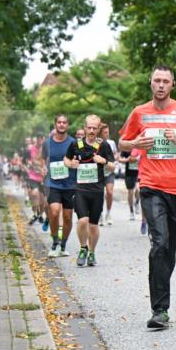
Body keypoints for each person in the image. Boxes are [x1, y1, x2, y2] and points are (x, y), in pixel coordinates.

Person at [119, 65, 176, 330]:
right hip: (151, 186)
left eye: (165, 81)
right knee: (159, 243)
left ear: (171, 85)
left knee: (168, 250)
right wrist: (135, 144)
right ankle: (160, 310)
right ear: (150, 83)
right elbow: (123, 142)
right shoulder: (139, 113)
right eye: (156, 80)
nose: (160, 85)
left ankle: (161, 295)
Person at [64, 115, 114, 267]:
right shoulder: (76, 144)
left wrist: (104, 161)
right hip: (80, 189)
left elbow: (112, 166)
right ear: (85, 128)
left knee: (93, 225)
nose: (91, 131)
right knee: (82, 220)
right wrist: (71, 163)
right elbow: (66, 160)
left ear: (99, 129)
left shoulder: (103, 145)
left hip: (97, 190)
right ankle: (83, 248)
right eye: (89, 128)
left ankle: (92, 252)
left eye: (95, 128)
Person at [42, 114, 77, 257]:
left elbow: (79, 158)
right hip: (53, 183)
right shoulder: (47, 143)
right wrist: (43, 168)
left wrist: (75, 163)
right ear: (55, 124)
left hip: (70, 184)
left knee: (68, 217)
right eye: (59, 122)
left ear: (67, 125)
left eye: (64, 122)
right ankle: (55, 242)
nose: (62, 124)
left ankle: (63, 245)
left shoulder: (73, 143)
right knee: (55, 211)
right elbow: (43, 160)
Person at [99, 122, 118, 226]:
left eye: (108, 132)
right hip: (99, 172)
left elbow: (115, 153)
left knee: (109, 192)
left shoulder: (111, 143)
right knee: (100, 193)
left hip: (109, 171)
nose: (107, 134)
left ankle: (108, 213)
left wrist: (115, 158)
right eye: (105, 132)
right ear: (100, 133)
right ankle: (100, 214)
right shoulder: (96, 143)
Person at [118, 147, 143, 222]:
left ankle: (137, 202)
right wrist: (127, 160)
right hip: (129, 174)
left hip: (140, 173)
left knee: (138, 190)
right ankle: (131, 211)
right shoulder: (127, 148)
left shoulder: (141, 147)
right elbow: (119, 159)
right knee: (130, 193)